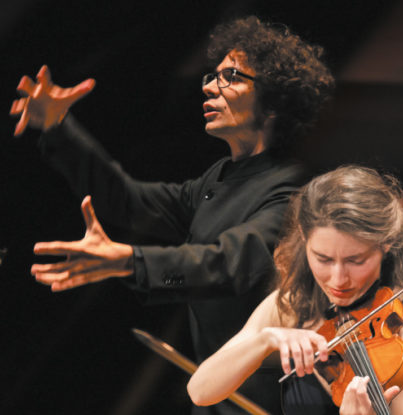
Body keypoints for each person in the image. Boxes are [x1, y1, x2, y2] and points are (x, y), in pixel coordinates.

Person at [10, 16, 334, 414]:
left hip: (270, 399)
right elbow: (128, 202)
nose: (210, 88)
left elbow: (225, 264)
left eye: (230, 77)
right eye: (210, 77)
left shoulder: (292, 192)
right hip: (219, 389)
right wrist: (59, 128)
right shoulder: (217, 180)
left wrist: (131, 262)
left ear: (274, 100)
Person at [187, 165, 403, 415]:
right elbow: (200, 391)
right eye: (323, 259)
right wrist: (265, 339)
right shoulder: (294, 303)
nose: (338, 279)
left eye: (356, 260)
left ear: (386, 244)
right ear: (304, 238)